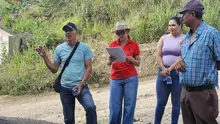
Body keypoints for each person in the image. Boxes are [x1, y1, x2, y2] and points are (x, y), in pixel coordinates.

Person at [36, 22, 97, 124]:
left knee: (91, 107)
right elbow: (54, 69)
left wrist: (81, 84)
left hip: (81, 86)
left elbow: (89, 68)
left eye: (70, 30)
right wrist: (44, 56)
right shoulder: (59, 49)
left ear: (76, 32)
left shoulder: (84, 47)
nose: (67, 33)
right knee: (68, 119)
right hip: (65, 88)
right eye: (65, 31)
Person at [175, 0, 220, 124]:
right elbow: (184, 57)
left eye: (184, 14)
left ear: (192, 14)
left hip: (202, 94)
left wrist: (206, 69)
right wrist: (179, 61)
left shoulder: (212, 34)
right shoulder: (187, 36)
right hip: (185, 93)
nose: (182, 17)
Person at [107, 20, 141, 124]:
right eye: (118, 33)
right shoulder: (112, 44)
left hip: (130, 78)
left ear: (127, 31)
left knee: (129, 106)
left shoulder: (134, 45)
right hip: (115, 78)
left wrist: (131, 60)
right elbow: (108, 63)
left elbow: (138, 63)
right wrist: (110, 61)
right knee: (114, 107)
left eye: (122, 32)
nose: (120, 34)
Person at [154, 16, 184, 124]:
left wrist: (169, 69)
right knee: (161, 102)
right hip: (162, 73)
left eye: (174, 25)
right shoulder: (164, 38)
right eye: (169, 25)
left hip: (177, 74)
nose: (171, 27)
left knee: (176, 103)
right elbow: (158, 54)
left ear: (180, 26)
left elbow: (182, 56)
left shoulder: (184, 38)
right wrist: (163, 68)